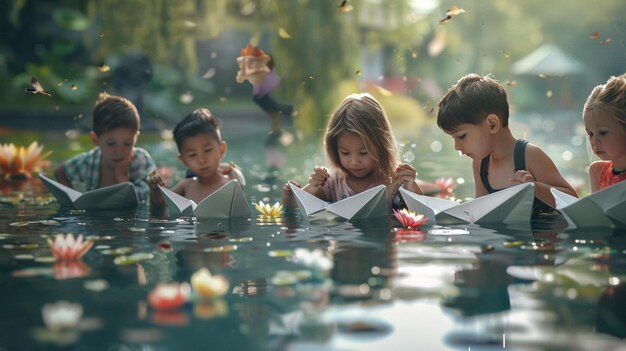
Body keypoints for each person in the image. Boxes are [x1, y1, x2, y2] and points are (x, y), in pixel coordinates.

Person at [436, 73, 577, 213]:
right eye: (453, 138)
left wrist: (534, 187)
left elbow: (572, 201)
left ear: (492, 124)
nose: (457, 147)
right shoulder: (481, 164)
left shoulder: (530, 156)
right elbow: (479, 212)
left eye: (462, 136)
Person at [282, 92, 423, 209]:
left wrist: (410, 184)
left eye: (363, 152)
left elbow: (420, 210)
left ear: (381, 146)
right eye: (345, 153)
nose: (354, 161)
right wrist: (299, 192)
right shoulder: (332, 181)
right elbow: (296, 208)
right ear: (334, 149)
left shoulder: (393, 180)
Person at [54, 92, 159, 205]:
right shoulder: (91, 160)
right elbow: (60, 172)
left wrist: (122, 178)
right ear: (96, 140)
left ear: (135, 138)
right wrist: (73, 202)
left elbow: (145, 197)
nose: (119, 151)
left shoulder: (141, 160)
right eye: (111, 143)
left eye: (127, 144)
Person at [148, 108, 244, 205]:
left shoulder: (231, 180)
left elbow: (240, 180)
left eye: (207, 150)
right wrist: (155, 190)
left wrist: (230, 168)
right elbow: (160, 203)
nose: (201, 160)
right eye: (192, 155)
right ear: (183, 160)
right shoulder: (186, 186)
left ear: (221, 149)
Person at [583, 74, 626, 192]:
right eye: (590, 133)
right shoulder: (597, 171)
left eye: (602, 132)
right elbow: (596, 210)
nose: (593, 140)